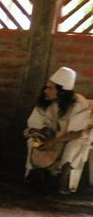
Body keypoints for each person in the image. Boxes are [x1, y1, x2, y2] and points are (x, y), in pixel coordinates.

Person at [24, 66, 91, 194]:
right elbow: (34, 123)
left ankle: (64, 178)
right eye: (46, 87)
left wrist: (55, 141)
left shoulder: (78, 103)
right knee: (33, 141)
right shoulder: (45, 102)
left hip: (72, 137)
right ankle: (36, 172)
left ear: (61, 91)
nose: (45, 91)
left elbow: (79, 132)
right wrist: (39, 135)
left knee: (74, 145)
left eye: (50, 88)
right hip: (51, 135)